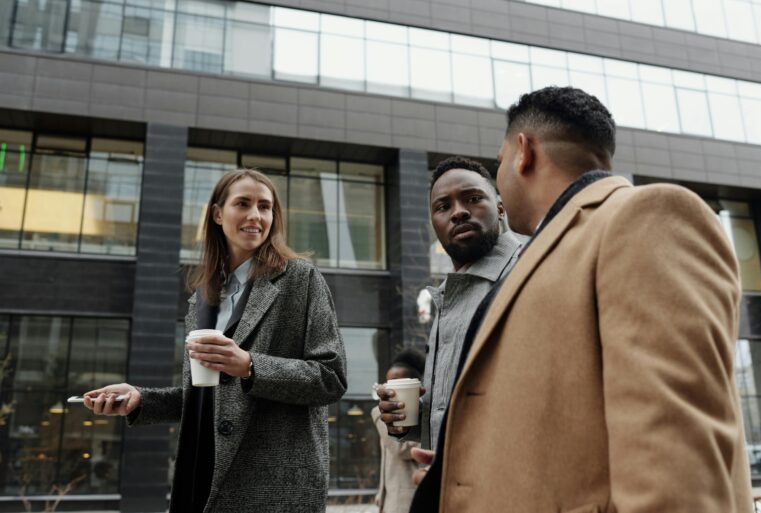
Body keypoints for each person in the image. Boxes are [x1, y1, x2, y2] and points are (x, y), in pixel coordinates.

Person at [411, 86, 753, 512]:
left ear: (523, 152)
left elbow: (674, 456)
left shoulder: (647, 216)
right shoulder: (547, 255)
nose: (499, 180)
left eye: (498, 165)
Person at [84, 169, 347, 513]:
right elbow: (211, 397)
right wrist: (140, 400)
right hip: (200, 477)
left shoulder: (300, 279)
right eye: (243, 203)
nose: (256, 215)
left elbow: (331, 378)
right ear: (218, 213)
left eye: (265, 207)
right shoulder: (204, 298)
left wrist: (250, 366)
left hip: (270, 488)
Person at [377, 156, 524, 453]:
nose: (458, 212)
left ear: (499, 206)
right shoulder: (448, 295)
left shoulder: (528, 273)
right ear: (434, 222)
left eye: (473, 199)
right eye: (443, 207)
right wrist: (411, 420)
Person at [371, 349, 426, 513]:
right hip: (389, 499)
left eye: (396, 380)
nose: (390, 386)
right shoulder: (388, 412)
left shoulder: (422, 413)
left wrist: (377, 414)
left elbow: (400, 449)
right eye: (388, 381)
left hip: (407, 499)